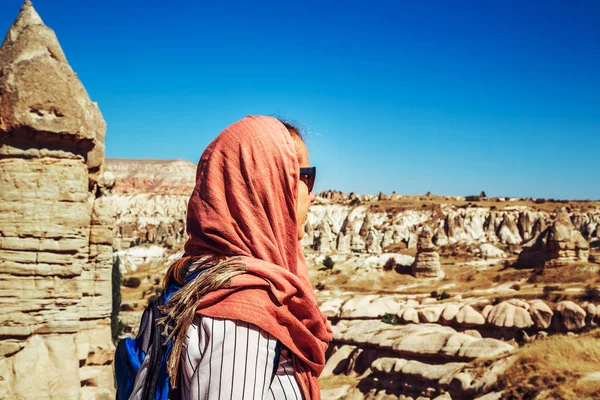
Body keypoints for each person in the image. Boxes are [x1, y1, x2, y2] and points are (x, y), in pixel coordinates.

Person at [159, 115, 332, 400]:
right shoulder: (244, 319)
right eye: (305, 177)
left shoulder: (193, 278)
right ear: (268, 185)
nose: (312, 195)